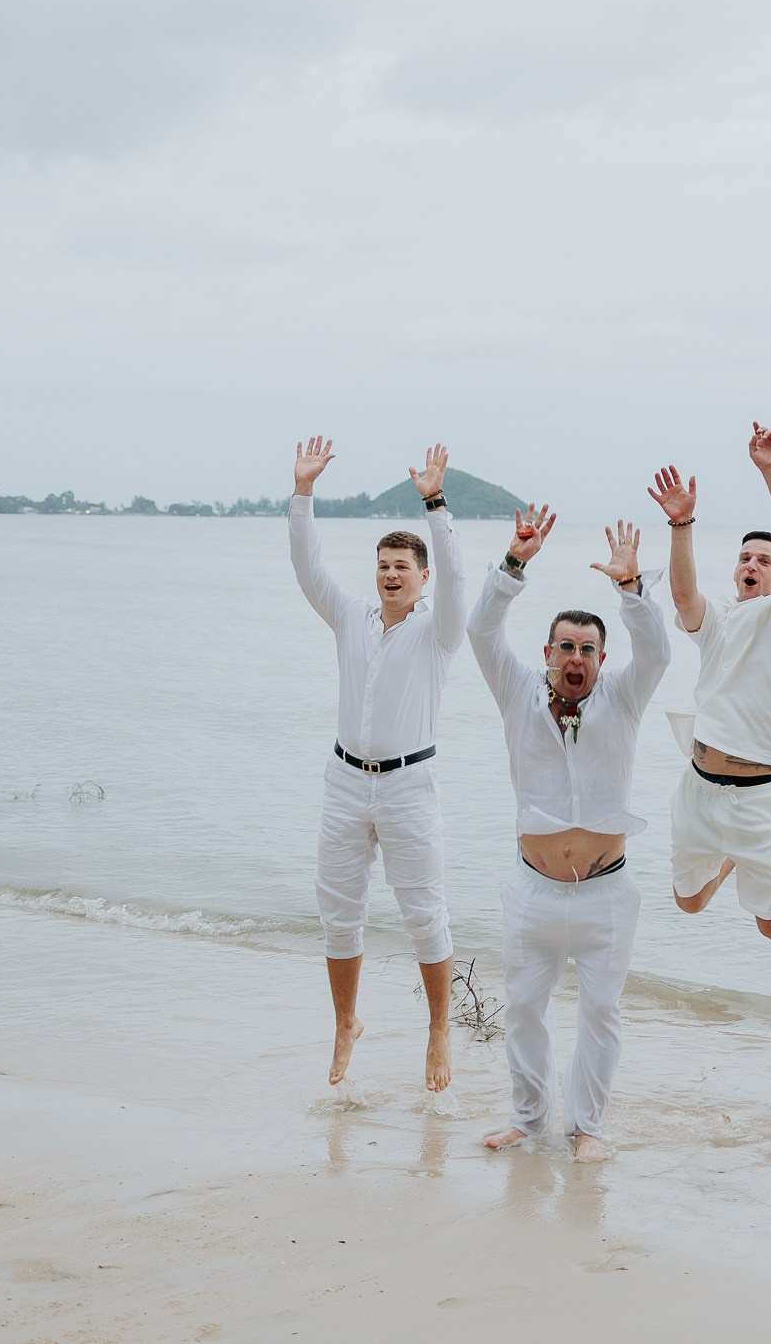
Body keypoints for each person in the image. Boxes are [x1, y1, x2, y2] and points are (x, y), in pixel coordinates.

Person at [466, 506, 670, 1162]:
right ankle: (528, 1120)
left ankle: (588, 1127)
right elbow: (479, 627)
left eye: (587, 649)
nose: (575, 657)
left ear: (601, 658)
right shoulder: (516, 690)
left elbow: (659, 650)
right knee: (524, 1007)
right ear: (547, 652)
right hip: (533, 889)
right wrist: (514, 563)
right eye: (565, 647)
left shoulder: (623, 697)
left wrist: (632, 588)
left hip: (607, 892)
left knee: (600, 1013)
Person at [287, 435, 468, 1094]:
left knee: (425, 912)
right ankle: (345, 1022)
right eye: (384, 564)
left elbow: (459, 582)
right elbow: (308, 569)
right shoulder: (351, 617)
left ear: (422, 579)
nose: (391, 573)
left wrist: (436, 505)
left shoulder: (437, 630)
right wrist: (303, 493)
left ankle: (439, 1028)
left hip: (409, 783)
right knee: (338, 909)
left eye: (403, 566)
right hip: (344, 780)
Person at [652, 423, 771, 942]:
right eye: (745, 558)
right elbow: (682, 596)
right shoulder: (717, 619)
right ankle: (731, 859)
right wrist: (682, 526)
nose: (752, 565)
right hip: (698, 789)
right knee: (689, 901)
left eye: (764, 560)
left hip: (761, 797)